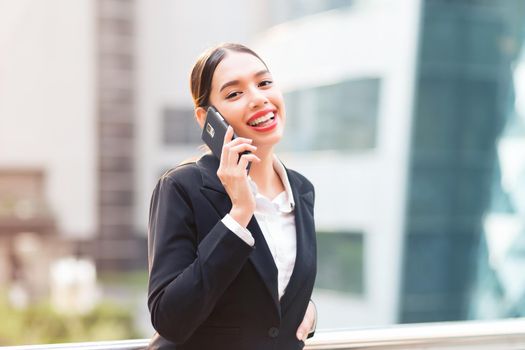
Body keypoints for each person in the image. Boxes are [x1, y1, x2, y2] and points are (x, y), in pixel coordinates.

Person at [147, 43, 317, 350]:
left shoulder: (301, 190)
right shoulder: (182, 187)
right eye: (234, 94)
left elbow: (270, 297)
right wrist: (239, 215)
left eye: (264, 83)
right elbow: (169, 316)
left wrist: (308, 309)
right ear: (206, 119)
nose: (258, 98)